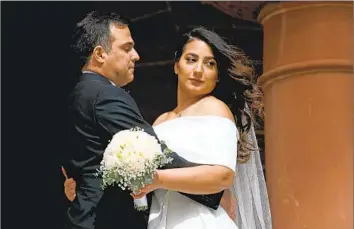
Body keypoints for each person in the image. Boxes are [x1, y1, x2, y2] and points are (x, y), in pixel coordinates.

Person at [64, 24, 272, 229]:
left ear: (217, 75)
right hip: (159, 219)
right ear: (176, 65)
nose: (198, 70)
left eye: (210, 64)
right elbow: (138, 177)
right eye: (191, 60)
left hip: (199, 220)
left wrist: (158, 179)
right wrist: (86, 184)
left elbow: (223, 175)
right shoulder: (161, 121)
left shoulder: (216, 109)